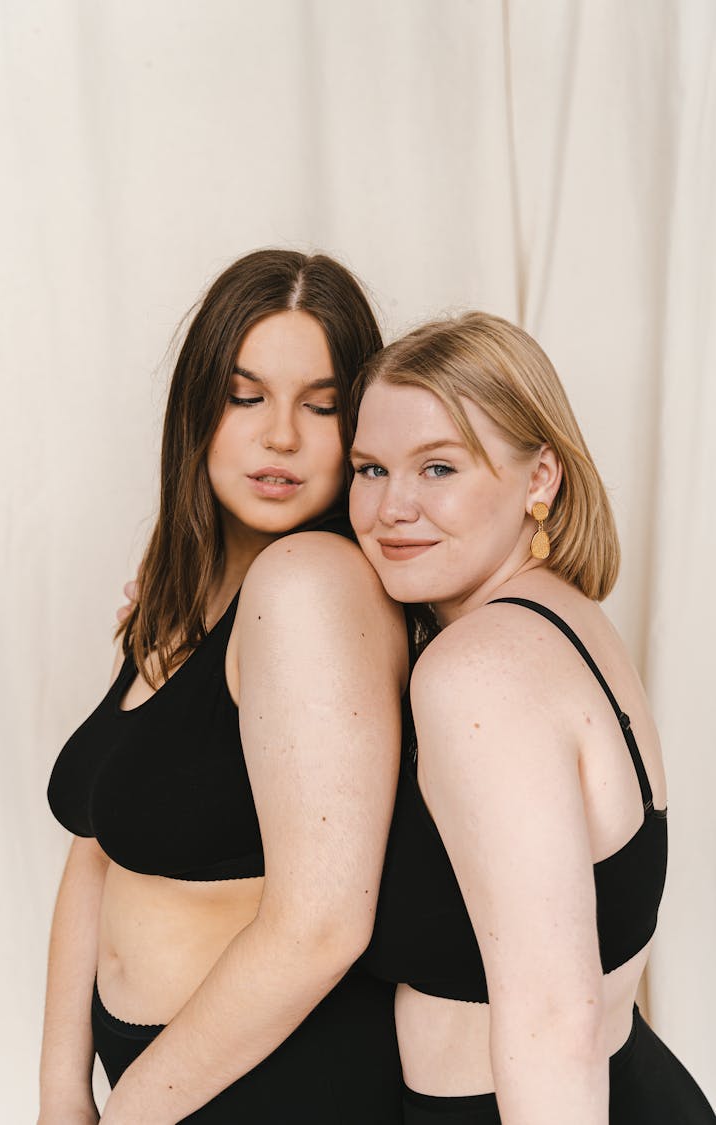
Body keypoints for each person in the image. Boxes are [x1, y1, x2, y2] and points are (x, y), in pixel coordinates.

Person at [40, 249, 411, 1124]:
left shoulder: (311, 586)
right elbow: (97, 840)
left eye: (321, 407)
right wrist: (62, 1095)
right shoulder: (186, 588)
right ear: (196, 409)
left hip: (271, 1089)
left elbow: (322, 926)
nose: (279, 435)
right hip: (165, 1094)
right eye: (245, 397)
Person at [349, 311, 716, 1124]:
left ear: (540, 477)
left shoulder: (479, 672)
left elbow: (556, 1024)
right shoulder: (559, 616)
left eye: (438, 467)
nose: (392, 507)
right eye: (370, 469)